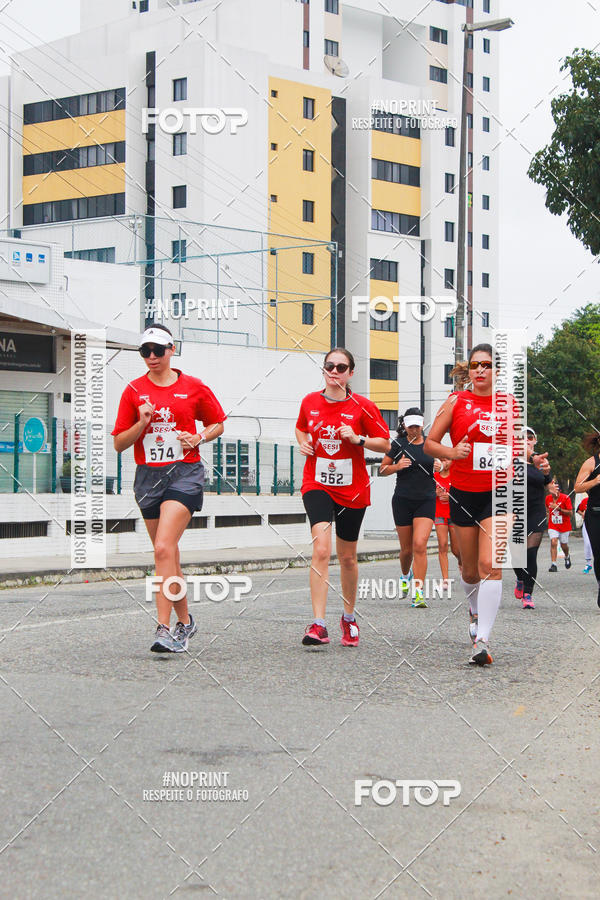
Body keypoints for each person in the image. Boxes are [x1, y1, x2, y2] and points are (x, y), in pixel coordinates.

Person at [112, 325, 226, 653]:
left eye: (157, 350)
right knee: (169, 554)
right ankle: (185, 622)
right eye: (145, 351)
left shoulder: (193, 387)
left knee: (163, 547)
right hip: (148, 477)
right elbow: (119, 443)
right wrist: (141, 423)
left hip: (185, 473)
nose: (151, 356)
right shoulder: (133, 390)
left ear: (171, 350)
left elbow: (218, 422)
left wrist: (199, 437)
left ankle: (162, 628)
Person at [424, 343, 521, 666]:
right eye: (476, 364)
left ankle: (482, 640)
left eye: (487, 365)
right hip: (464, 492)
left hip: (499, 490)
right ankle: (474, 610)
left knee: (489, 564)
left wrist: (514, 454)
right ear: (470, 370)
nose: (480, 369)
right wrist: (452, 453)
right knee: (468, 569)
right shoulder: (456, 401)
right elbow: (430, 444)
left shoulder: (510, 403)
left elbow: (514, 444)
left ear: (497, 371)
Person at [295, 348, 390, 647]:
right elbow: (300, 428)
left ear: (350, 373)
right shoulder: (310, 401)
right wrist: (304, 443)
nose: (334, 372)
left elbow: (385, 443)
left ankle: (348, 617)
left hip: (352, 489)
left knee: (347, 557)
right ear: (323, 369)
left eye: (340, 367)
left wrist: (358, 439)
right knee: (321, 549)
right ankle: (318, 624)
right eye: (329, 366)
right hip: (317, 483)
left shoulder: (363, 406)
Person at [379, 408, 440, 608]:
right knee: (406, 551)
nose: (414, 430)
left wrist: (442, 466)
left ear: (422, 425)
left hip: (426, 500)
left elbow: (448, 461)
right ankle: (405, 575)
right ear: (404, 426)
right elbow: (382, 469)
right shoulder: (398, 444)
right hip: (402, 500)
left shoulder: (431, 444)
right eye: (411, 426)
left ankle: (418, 593)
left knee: (420, 545)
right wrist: (397, 466)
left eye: (417, 426)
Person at [513, 428, 552, 609]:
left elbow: (548, 482)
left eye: (530, 437)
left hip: (536, 511)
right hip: (515, 512)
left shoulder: (541, 461)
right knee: (516, 555)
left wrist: (548, 480)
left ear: (535, 440)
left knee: (530, 553)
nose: (526, 440)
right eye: (522, 437)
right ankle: (520, 579)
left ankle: (528, 593)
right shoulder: (510, 461)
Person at [573, 432, 600, 606]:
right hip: (596, 514)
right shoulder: (591, 463)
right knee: (599, 553)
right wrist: (595, 480)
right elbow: (577, 487)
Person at [434, 459, 461, 592]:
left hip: (454, 515)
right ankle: (445, 580)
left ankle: (462, 564)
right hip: (439, 514)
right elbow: (426, 494)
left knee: (456, 550)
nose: (445, 462)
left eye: (447, 459)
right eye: (442, 459)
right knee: (443, 545)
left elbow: (462, 496)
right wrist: (435, 494)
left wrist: (451, 497)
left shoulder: (456, 476)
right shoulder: (434, 477)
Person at [546, 478, 572, 571]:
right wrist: (547, 514)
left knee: (563, 545)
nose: (554, 491)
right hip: (553, 525)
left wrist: (559, 508)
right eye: (552, 489)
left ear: (559, 490)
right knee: (553, 542)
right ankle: (554, 564)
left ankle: (567, 556)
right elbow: (547, 509)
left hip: (564, 525)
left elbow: (570, 513)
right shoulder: (548, 498)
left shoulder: (565, 498)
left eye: (556, 489)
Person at [576, 496, 593, 573]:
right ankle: (588, 563)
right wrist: (582, 513)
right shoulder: (585, 500)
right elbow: (578, 510)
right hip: (587, 524)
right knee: (587, 543)